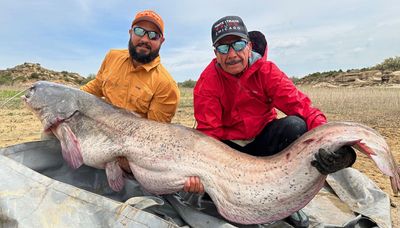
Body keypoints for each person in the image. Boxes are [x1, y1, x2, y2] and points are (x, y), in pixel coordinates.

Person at [187, 16, 357, 227]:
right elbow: (209, 135)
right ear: (215, 54)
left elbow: (304, 108)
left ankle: (291, 203)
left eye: (238, 45)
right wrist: (200, 173)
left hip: (265, 144)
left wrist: (334, 145)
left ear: (249, 46)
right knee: (205, 182)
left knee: (296, 126)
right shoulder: (207, 83)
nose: (232, 54)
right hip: (228, 151)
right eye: (223, 48)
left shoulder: (267, 72)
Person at [81, 10, 180, 173]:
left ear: (162, 41)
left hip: (130, 149)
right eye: (139, 31)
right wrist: (68, 98)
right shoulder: (112, 57)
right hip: (95, 132)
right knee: (50, 137)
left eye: (153, 35)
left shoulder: (166, 85)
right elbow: (95, 87)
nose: (145, 39)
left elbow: (153, 136)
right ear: (130, 32)